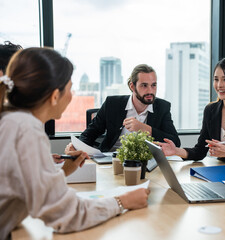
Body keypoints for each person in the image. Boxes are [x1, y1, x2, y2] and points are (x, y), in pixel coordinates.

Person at [0, 47, 150, 239]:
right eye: (70, 88)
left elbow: (31, 191)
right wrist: (121, 201)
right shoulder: (26, 129)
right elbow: (66, 216)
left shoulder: (11, 120)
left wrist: (62, 171)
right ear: (55, 96)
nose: (72, 95)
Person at [67, 64, 180, 153]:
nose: (150, 91)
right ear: (132, 86)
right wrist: (77, 147)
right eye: (144, 85)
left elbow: (175, 142)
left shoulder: (162, 107)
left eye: (153, 85)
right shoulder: (112, 104)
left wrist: (146, 129)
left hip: (144, 163)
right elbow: (89, 134)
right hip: (110, 160)